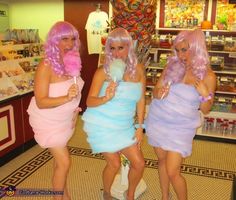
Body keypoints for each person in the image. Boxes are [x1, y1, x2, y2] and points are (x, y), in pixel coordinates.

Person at [145, 29, 216, 200]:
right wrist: (159, 92)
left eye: (185, 49)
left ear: (197, 48)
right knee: (161, 161)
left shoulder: (208, 76)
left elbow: (206, 109)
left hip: (181, 127)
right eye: (177, 50)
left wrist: (204, 93)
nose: (180, 55)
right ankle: (164, 196)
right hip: (158, 119)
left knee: (173, 171)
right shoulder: (171, 66)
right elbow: (155, 91)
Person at [82, 27, 146, 200]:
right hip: (101, 124)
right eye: (113, 48)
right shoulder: (103, 72)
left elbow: (141, 100)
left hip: (124, 126)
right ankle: (107, 192)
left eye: (121, 48)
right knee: (114, 163)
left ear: (129, 48)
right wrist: (106, 98)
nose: (117, 53)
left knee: (139, 164)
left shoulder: (139, 70)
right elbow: (89, 101)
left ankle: (130, 194)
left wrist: (139, 127)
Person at [27, 21, 84, 200]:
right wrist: (67, 98)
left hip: (66, 120)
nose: (69, 43)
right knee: (64, 162)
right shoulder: (46, 65)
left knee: (59, 164)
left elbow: (75, 92)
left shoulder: (71, 62)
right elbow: (41, 102)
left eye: (72, 39)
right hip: (47, 120)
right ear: (54, 41)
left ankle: (63, 195)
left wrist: (74, 110)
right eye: (64, 39)